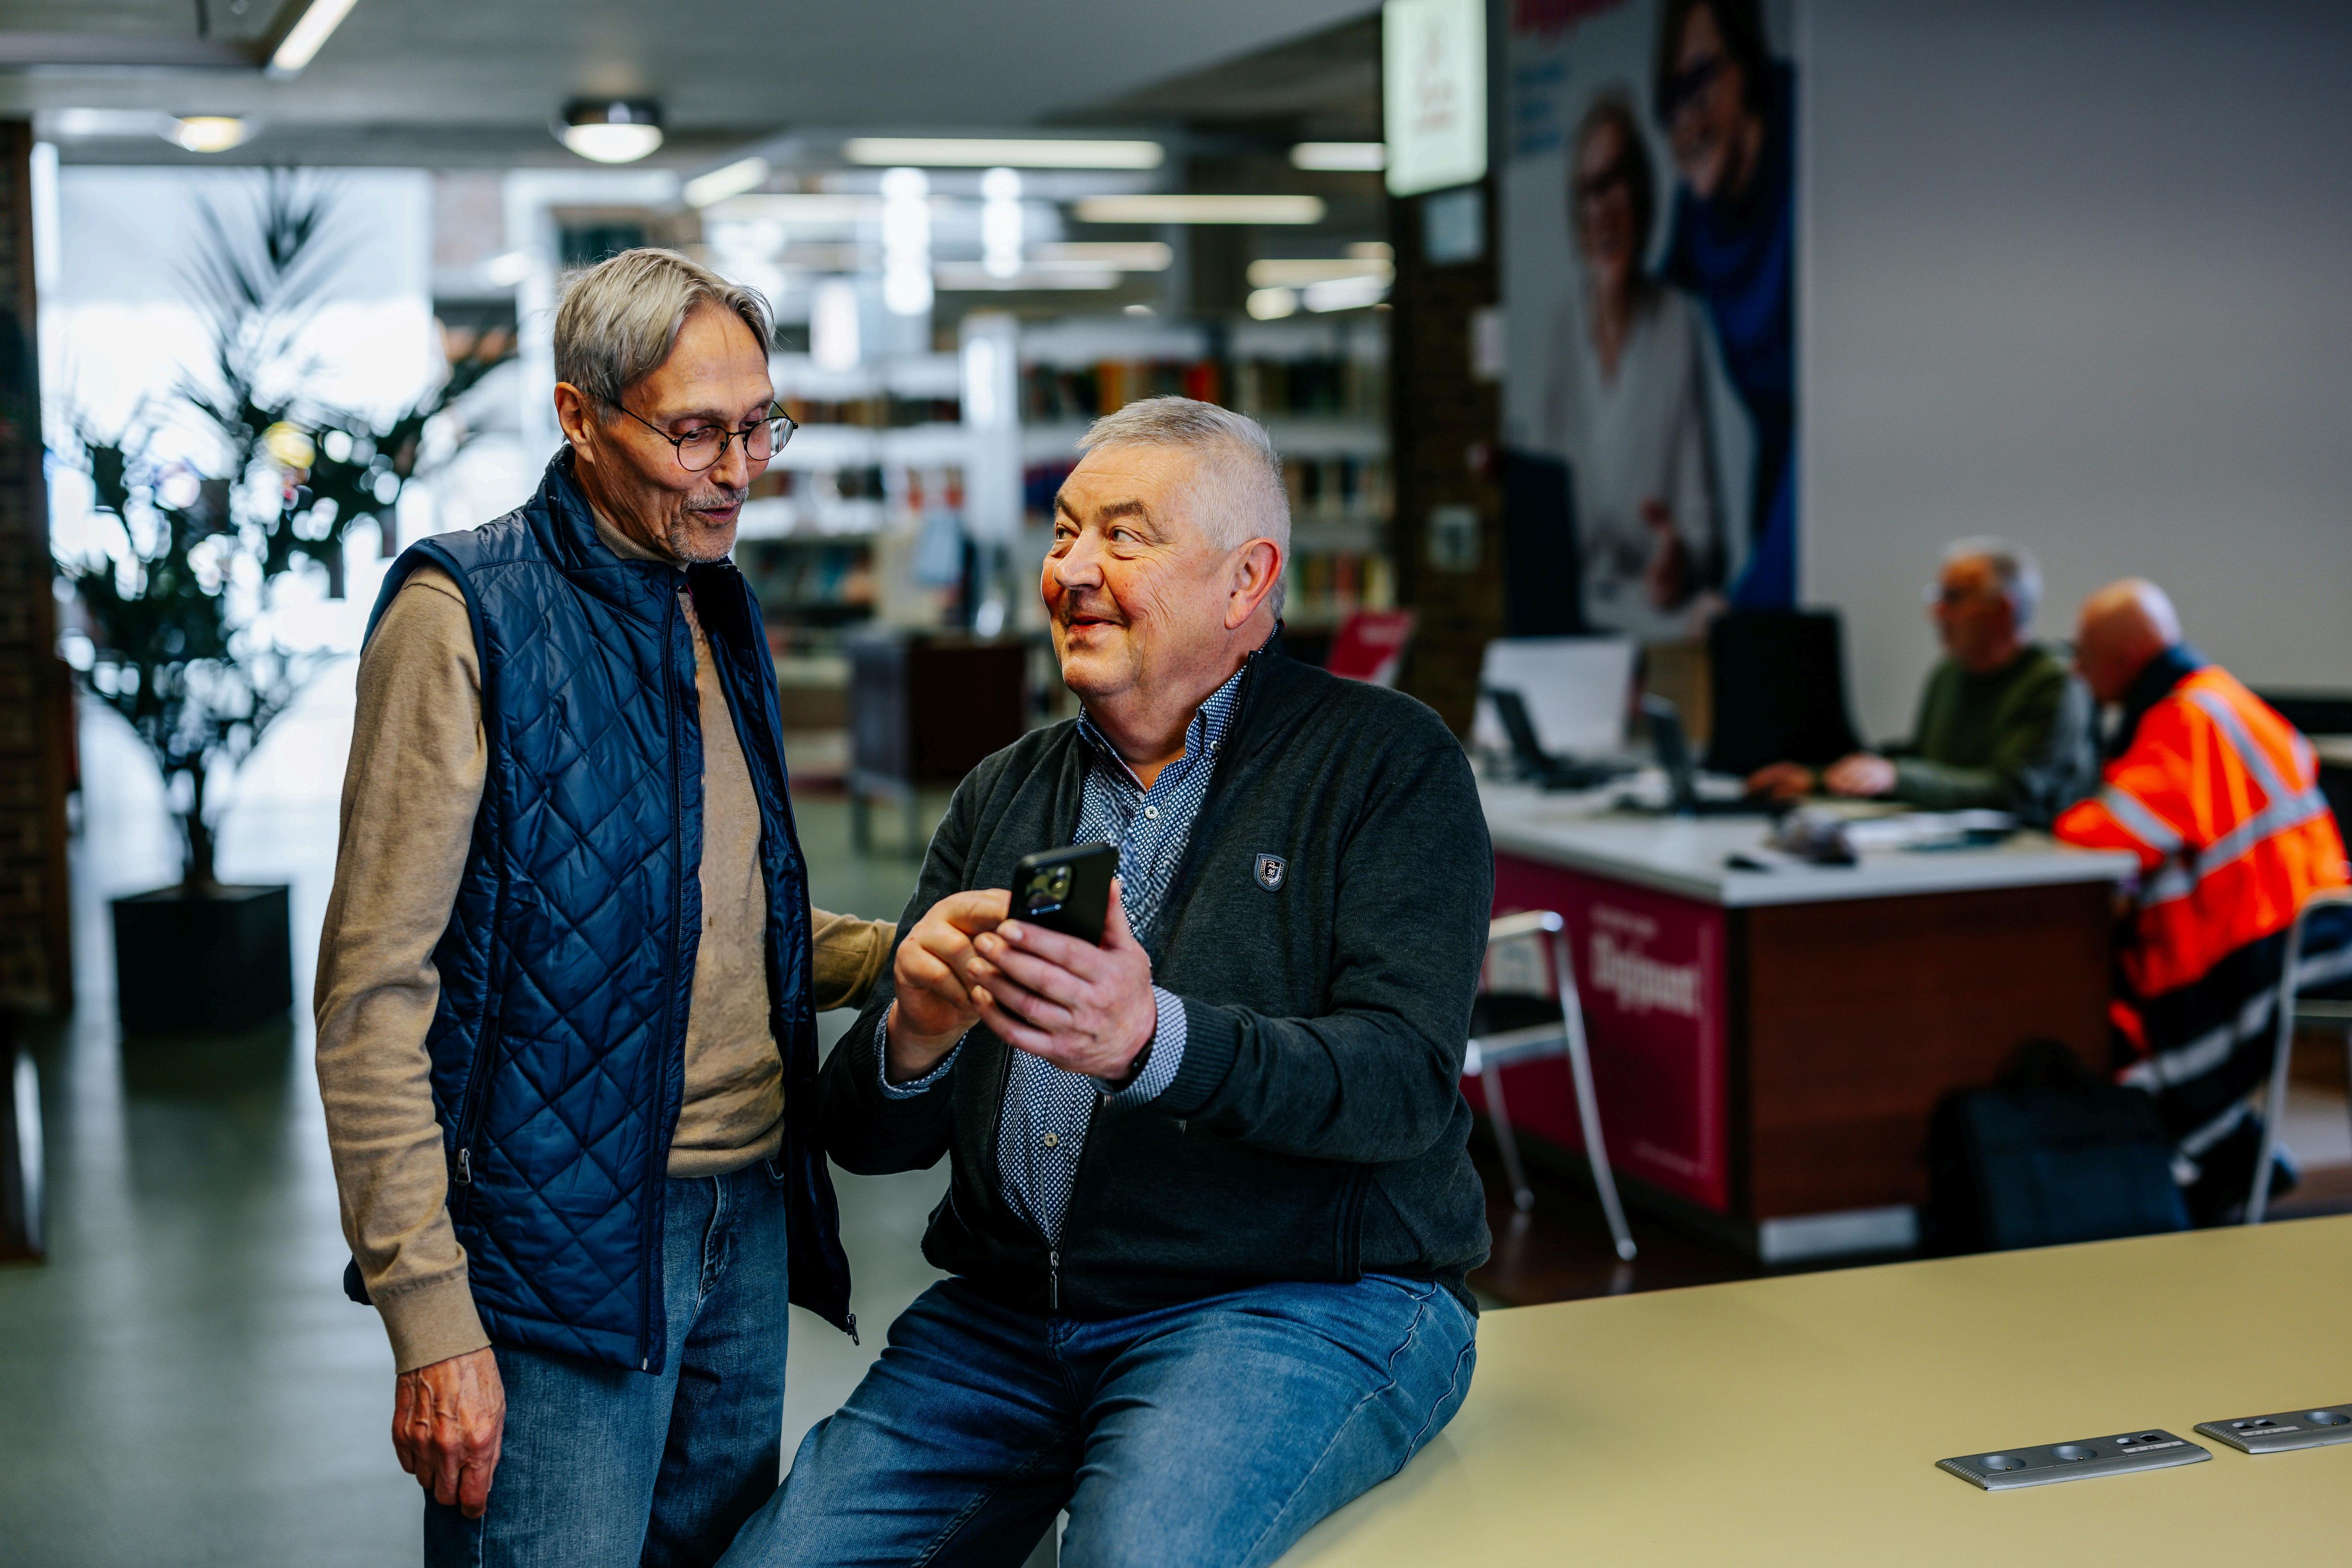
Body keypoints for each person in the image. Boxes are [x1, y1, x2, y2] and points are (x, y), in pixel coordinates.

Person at [721, 398, 1491, 1568]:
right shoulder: (1003, 790)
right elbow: (868, 1140)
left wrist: (1152, 1041)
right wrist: (914, 1032)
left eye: (1123, 537)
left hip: (1295, 1300)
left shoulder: (1384, 763)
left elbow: (1401, 1085)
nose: (1070, 571)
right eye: (1063, 532)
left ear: (1245, 580)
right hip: (1008, 1317)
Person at [313, 248, 895, 1565]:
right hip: (555, 1250)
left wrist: (891, 957)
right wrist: (429, 1313)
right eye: (694, 433)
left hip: (743, 1217)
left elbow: (694, 903)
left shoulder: (713, 602)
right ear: (578, 415)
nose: (736, 471)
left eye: (758, 427)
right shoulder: (462, 615)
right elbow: (372, 997)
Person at [2054, 579, 2350, 1222]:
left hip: (2257, 932)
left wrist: (2054, 825)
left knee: (2113, 1007)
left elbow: (2121, 829)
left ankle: (2226, 1161)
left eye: (2084, 655)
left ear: (2126, 658)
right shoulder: (2223, 695)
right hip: (2304, 914)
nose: (2076, 671)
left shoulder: (2184, 717)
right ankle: (2230, 1155)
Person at [1540, 90, 1724, 641]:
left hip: (1651, 613)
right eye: (1589, 190)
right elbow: (1547, 523)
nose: (1604, 209)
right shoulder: (1561, 329)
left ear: (1642, 194)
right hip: (1574, 613)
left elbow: (1702, 528)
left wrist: (1679, 556)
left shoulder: (1676, 324)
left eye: (1616, 182)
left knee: (1712, 616)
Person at [1747, 539, 2098, 825]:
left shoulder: (2055, 682)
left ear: (2003, 608)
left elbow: (2013, 792)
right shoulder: (1949, 674)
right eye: (1937, 596)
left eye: (1953, 598)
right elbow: (1924, 758)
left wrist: (1897, 777)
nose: (1937, 613)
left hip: (2037, 861)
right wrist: (1819, 778)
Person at [1652, 0, 1795, 608]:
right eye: (1672, 98)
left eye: (1702, 80)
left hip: (1835, 453)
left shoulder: (1807, 144)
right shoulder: (1697, 210)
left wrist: (1751, 601)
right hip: (1774, 460)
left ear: (1747, 68)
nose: (1688, 117)